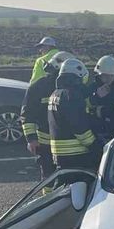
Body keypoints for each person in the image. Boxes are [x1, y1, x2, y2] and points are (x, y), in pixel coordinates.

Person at [20, 51, 76, 186]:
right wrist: (31, 139)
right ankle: (49, 201)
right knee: (49, 178)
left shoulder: (71, 88)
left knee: (61, 178)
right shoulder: (38, 87)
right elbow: (27, 115)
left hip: (65, 143)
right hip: (46, 143)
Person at [48, 58, 103, 171]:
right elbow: (78, 124)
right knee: (82, 183)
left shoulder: (55, 94)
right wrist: (96, 146)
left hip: (59, 153)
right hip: (76, 154)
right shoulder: (71, 95)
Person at [88, 55, 114, 141]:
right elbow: (87, 108)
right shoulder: (93, 88)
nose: (106, 79)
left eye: (110, 76)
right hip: (99, 131)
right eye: (104, 76)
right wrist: (96, 96)